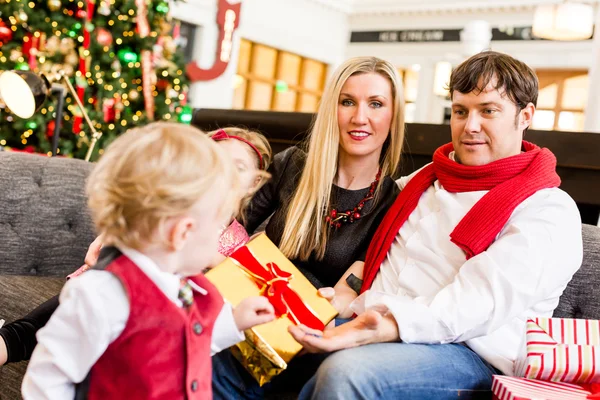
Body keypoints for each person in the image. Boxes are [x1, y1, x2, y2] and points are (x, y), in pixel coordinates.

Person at [288, 50, 584, 400]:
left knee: (349, 373)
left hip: (468, 352)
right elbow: (354, 210)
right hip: (368, 319)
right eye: (461, 111)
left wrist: (384, 327)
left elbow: (472, 306)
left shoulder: (547, 209)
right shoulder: (423, 182)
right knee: (253, 329)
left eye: (488, 111)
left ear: (525, 115)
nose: (470, 126)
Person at [21, 122, 275, 399]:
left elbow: (186, 343)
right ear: (183, 233)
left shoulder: (192, 289)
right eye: (214, 225)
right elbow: (46, 380)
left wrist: (234, 322)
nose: (219, 234)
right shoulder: (104, 294)